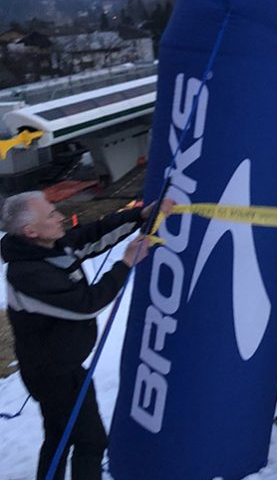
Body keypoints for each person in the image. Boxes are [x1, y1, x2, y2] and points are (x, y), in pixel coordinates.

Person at [2, 192, 169, 480]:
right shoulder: (28, 274)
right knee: (91, 442)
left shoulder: (48, 246)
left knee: (59, 435)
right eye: (51, 215)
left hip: (57, 366)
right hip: (53, 374)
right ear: (30, 231)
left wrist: (138, 215)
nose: (60, 217)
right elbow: (87, 304)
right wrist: (126, 262)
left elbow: (92, 235)